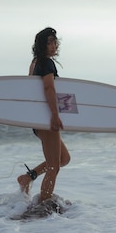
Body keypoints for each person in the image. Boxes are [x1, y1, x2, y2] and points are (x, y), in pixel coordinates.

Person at [17, 27, 71, 203]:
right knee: (54, 166)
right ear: (41, 45)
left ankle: (28, 177)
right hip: (47, 119)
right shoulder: (46, 63)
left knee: (64, 158)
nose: (53, 45)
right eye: (49, 42)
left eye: (55, 42)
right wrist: (55, 115)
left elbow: (32, 92)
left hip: (38, 120)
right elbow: (49, 88)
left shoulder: (35, 62)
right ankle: (43, 204)